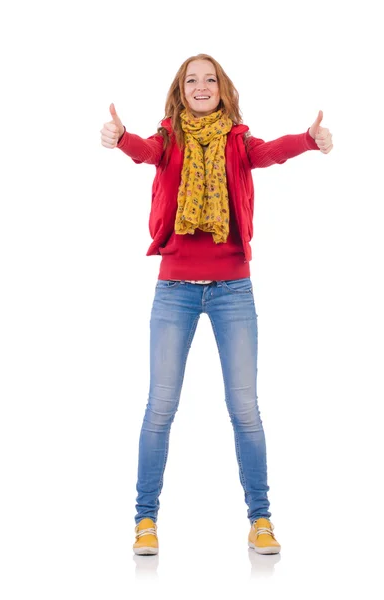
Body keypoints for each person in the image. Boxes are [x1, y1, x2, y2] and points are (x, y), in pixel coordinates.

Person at [100, 53, 333, 556]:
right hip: (175, 291)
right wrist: (120, 139)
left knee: (244, 408)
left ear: (223, 89)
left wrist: (308, 141)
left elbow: (270, 152)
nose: (201, 86)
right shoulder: (168, 140)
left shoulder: (237, 141)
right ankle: (145, 519)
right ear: (180, 91)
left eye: (210, 79)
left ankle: (261, 518)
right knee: (159, 407)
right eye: (192, 80)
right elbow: (142, 150)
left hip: (233, 291)